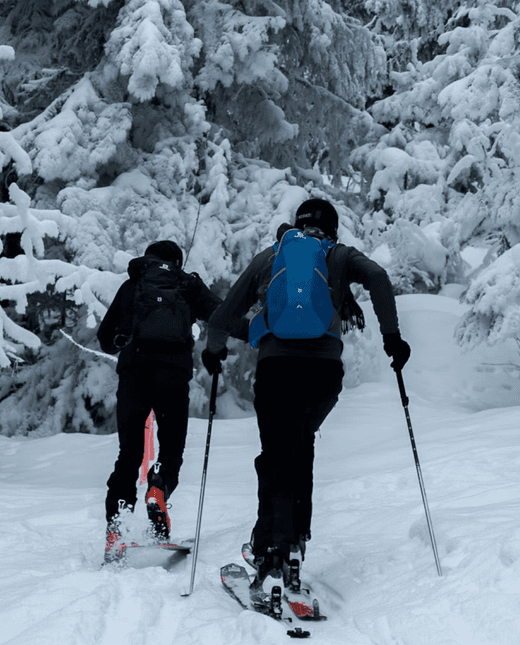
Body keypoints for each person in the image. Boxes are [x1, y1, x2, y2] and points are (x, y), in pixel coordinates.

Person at [201, 198, 411, 598]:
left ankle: (273, 554)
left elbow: (225, 314)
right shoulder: (339, 255)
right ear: (332, 229)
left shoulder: (273, 256)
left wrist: (214, 350)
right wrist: (392, 338)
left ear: (296, 225)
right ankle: (294, 541)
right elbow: (379, 278)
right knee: (299, 445)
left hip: (277, 369)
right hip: (323, 375)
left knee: (277, 454)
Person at [97, 240, 221, 564]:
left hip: (135, 374)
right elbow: (222, 315)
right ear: (177, 261)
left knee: (129, 455)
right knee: (171, 451)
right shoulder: (186, 285)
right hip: (173, 377)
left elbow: (105, 336)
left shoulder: (133, 285)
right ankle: (158, 489)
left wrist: (122, 339)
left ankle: (117, 530)